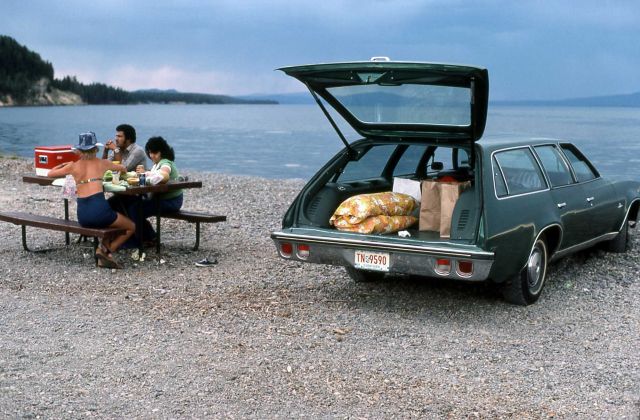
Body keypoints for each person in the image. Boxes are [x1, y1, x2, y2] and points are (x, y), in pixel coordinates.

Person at [49, 131, 135, 269]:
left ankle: (103, 254)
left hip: (83, 216)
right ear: (96, 149)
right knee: (130, 226)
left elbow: (50, 173)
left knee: (109, 222)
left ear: (78, 150)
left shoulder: (72, 165)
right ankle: (106, 251)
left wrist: (62, 165)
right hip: (100, 211)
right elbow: (123, 168)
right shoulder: (103, 163)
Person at [126, 136, 183, 246]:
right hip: (164, 199)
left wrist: (146, 174)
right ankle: (148, 236)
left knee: (136, 209)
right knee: (133, 206)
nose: (152, 156)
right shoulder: (156, 164)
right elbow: (154, 174)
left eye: (155, 153)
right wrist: (145, 172)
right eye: (150, 152)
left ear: (162, 152)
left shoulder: (165, 162)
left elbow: (164, 173)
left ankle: (147, 238)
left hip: (171, 201)